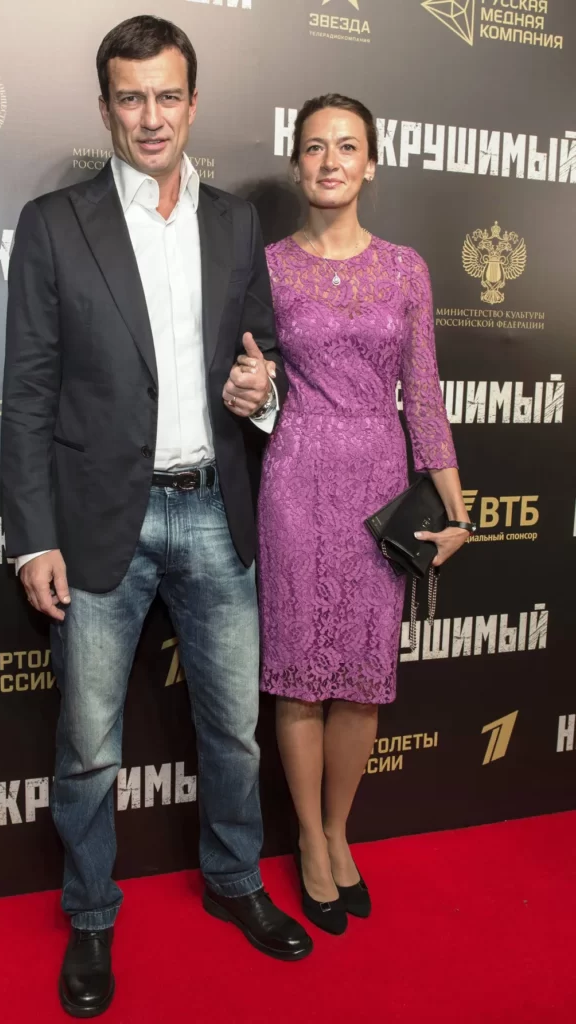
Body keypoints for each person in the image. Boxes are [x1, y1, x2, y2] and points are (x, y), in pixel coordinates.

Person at [1, 15, 312, 1019]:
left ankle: (233, 880)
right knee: (89, 743)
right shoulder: (54, 224)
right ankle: (91, 913)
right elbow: (28, 394)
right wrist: (33, 537)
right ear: (104, 107)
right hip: (101, 520)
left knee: (233, 732)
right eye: (130, 97)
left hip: (217, 509)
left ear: (193, 103)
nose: (150, 116)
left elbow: (261, 357)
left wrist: (262, 391)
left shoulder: (235, 222)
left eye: (167, 95)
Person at [256, 94, 474, 936]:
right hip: (296, 479)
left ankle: (340, 828)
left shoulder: (407, 269)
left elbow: (424, 395)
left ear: (371, 164)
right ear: (297, 164)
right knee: (300, 676)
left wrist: (457, 512)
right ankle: (309, 841)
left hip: (382, 488)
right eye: (315, 147)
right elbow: (249, 381)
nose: (331, 161)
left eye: (347, 146)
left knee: (361, 678)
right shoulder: (268, 267)